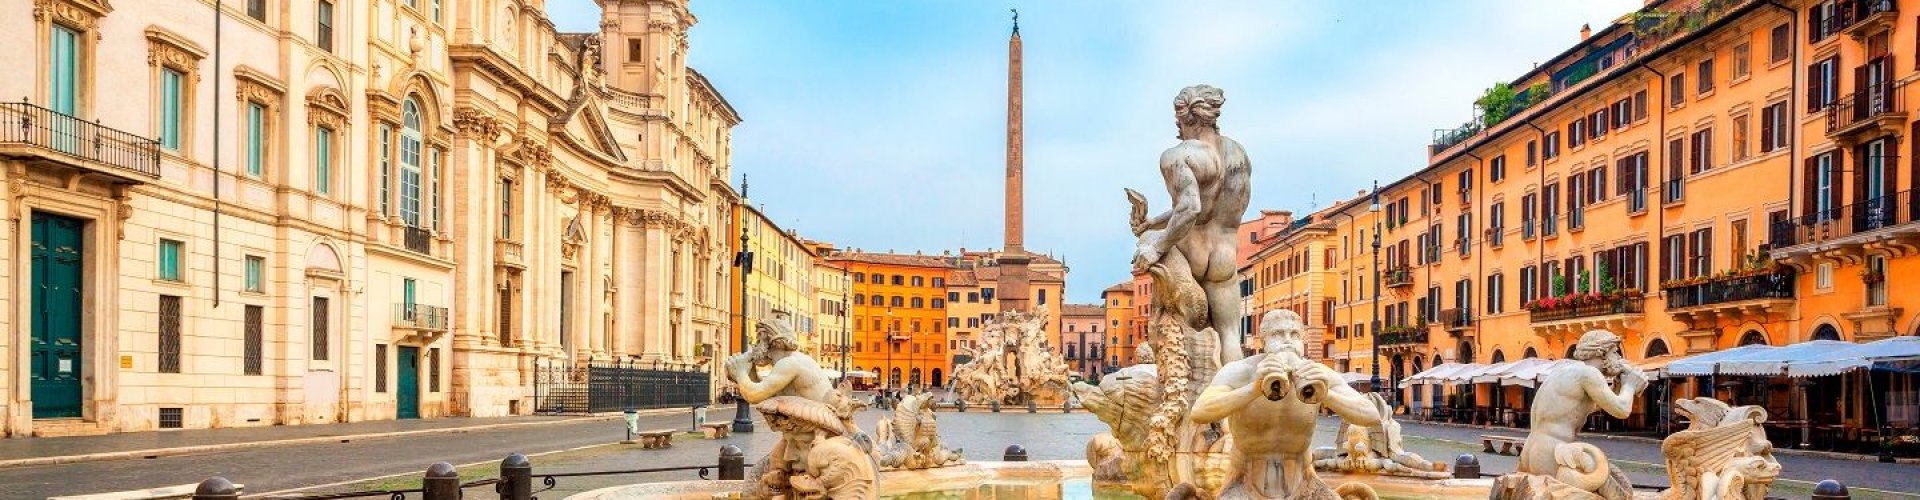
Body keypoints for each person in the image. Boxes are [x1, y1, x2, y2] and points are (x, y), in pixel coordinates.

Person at [1190, 310, 1380, 498]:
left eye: (1294, 334)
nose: (1287, 341)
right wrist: (1255, 388)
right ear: (1263, 342)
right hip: (1245, 482)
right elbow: (1200, 412)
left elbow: (1371, 416)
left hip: (1304, 482)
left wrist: (1325, 394)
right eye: (1278, 334)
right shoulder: (1241, 371)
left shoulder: (1318, 374)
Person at [1130, 84, 1253, 366]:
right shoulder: (1238, 155)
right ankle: (1230, 394)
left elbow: (1190, 208)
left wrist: (1156, 244)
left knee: (1174, 333)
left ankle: (1180, 390)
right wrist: (1153, 221)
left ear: (1183, 117)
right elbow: (1211, 206)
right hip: (1224, 254)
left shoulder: (1177, 156)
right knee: (1229, 336)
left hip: (1191, 252)